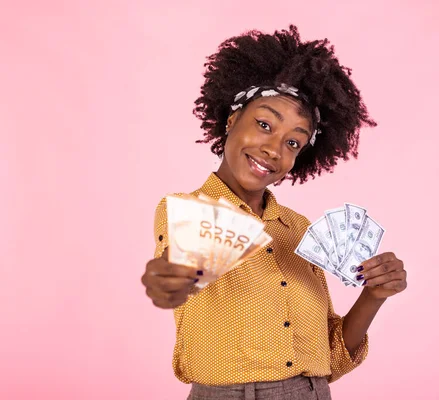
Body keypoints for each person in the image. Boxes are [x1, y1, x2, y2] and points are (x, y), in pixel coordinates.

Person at [141, 25, 408, 400]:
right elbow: (174, 274)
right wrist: (167, 280)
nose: (273, 149)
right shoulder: (188, 211)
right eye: (264, 124)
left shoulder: (299, 230)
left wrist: (375, 295)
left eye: (293, 142)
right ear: (232, 120)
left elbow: (330, 358)